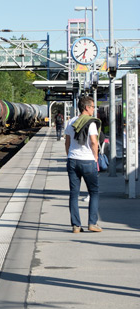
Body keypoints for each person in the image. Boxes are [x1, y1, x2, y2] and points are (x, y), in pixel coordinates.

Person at [64, 96, 102, 233]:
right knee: (94, 192)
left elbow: (67, 142)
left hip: (72, 160)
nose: (93, 109)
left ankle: (76, 225)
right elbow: (93, 141)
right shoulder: (91, 123)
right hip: (87, 161)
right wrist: (96, 157)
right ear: (86, 107)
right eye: (92, 107)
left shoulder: (71, 121)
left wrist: (69, 155)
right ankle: (92, 223)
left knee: (74, 194)